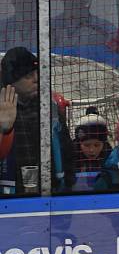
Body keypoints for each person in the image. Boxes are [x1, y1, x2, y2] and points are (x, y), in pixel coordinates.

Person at [0, 47, 73, 193]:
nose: (36, 79)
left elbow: (65, 145)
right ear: (11, 82)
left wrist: (68, 183)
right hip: (10, 195)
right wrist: (4, 129)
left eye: (37, 72)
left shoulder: (48, 105)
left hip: (50, 189)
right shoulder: (2, 109)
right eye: (28, 76)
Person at [72, 106, 111, 174]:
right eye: (86, 145)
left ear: (103, 144)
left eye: (97, 145)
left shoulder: (109, 155)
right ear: (79, 143)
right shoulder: (72, 155)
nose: (91, 150)